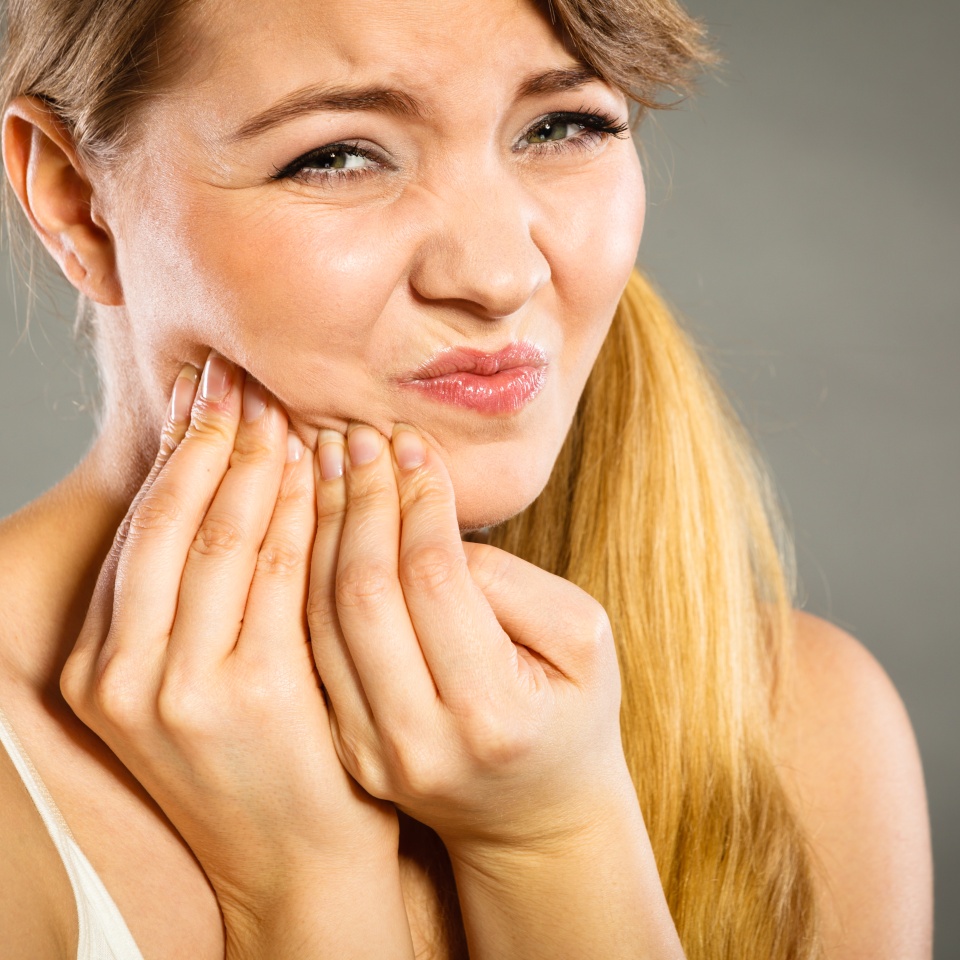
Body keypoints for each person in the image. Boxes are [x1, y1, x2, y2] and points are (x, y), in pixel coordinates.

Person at [0, 0, 933, 957]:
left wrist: (557, 845)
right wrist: (311, 885)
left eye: (563, 127)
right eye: (340, 155)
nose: (497, 275)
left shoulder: (803, 726)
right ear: (76, 200)